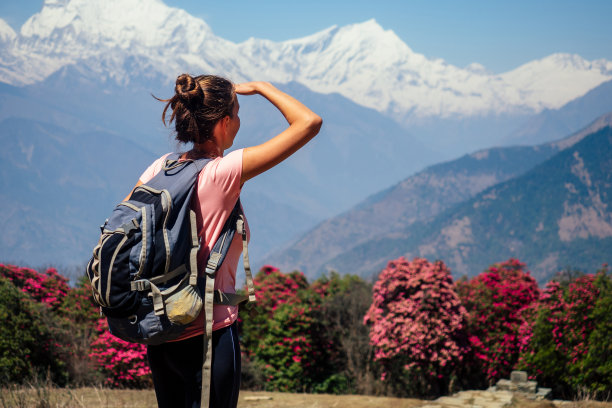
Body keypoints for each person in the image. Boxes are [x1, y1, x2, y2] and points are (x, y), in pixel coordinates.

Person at [130, 74, 322, 408]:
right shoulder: (223, 172)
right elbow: (309, 122)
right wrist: (263, 87)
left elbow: (131, 230)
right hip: (209, 331)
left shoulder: (160, 168)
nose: (240, 121)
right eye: (237, 112)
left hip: (160, 331)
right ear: (224, 122)